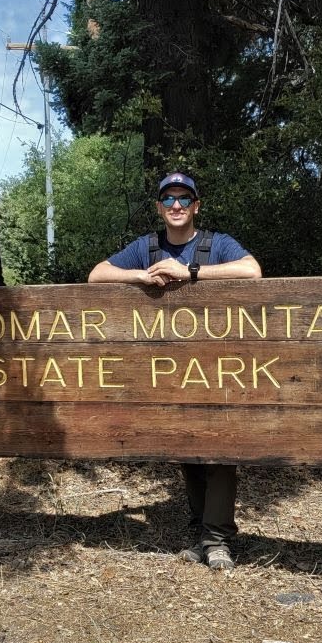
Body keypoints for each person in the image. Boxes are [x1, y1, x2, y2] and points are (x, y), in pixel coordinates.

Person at [89, 171, 261, 570]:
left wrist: (192, 272)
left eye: (184, 198)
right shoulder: (146, 247)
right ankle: (202, 532)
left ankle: (217, 540)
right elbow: (97, 274)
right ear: (159, 207)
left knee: (220, 452)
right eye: (169, 199)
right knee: (188, 451)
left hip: (217, 369)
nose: (176, 206)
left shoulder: (216, 244)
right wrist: (137, 275)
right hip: (171, 373)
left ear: (196, 206)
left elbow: (252, 270)